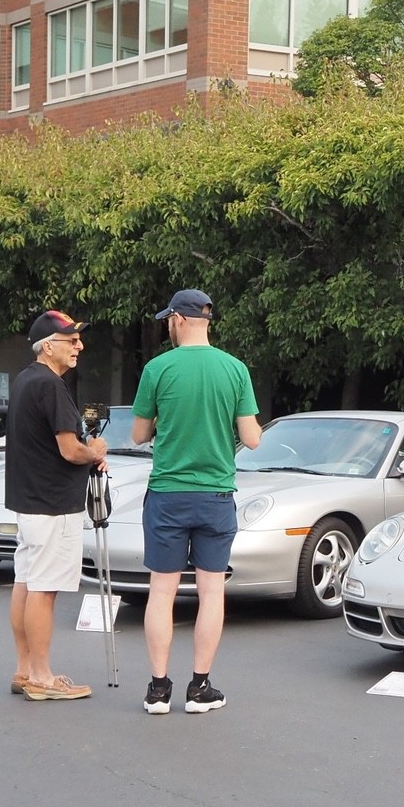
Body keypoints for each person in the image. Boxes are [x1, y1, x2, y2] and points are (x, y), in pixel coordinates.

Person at [131, 288, 261, 716]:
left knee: (161, 591)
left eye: (168, 319)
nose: (168, 326)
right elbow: (252, 438)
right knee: (211, 592)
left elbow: (138, 435)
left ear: (179, 320)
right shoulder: (235, 369)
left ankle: (158, 689)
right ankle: (200, 687)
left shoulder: (157, 368)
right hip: (216, 495)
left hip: (167, 494)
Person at [6, 310, 107, 702]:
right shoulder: (51, 385)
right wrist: (94, 451)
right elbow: (69, 449)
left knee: (27, 582)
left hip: (30, 500)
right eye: (71, 340)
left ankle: (25, 669)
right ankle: (42, 677)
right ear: (48, 346)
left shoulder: (25, 380)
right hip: (53, 503)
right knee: (44, 589)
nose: (79, 345)